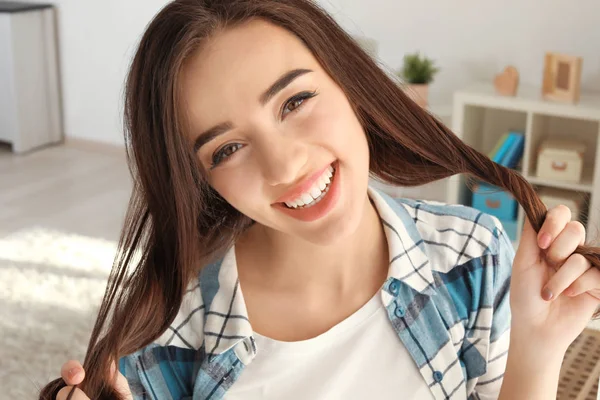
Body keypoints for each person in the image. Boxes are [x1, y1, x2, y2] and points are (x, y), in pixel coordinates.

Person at [42, 0, 600, 399]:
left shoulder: (473, 256)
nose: (284, 165)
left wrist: (540, 346)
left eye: (294, 101)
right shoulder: (169, 330)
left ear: (349, 85)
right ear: (199, 179)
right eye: (228, 148)